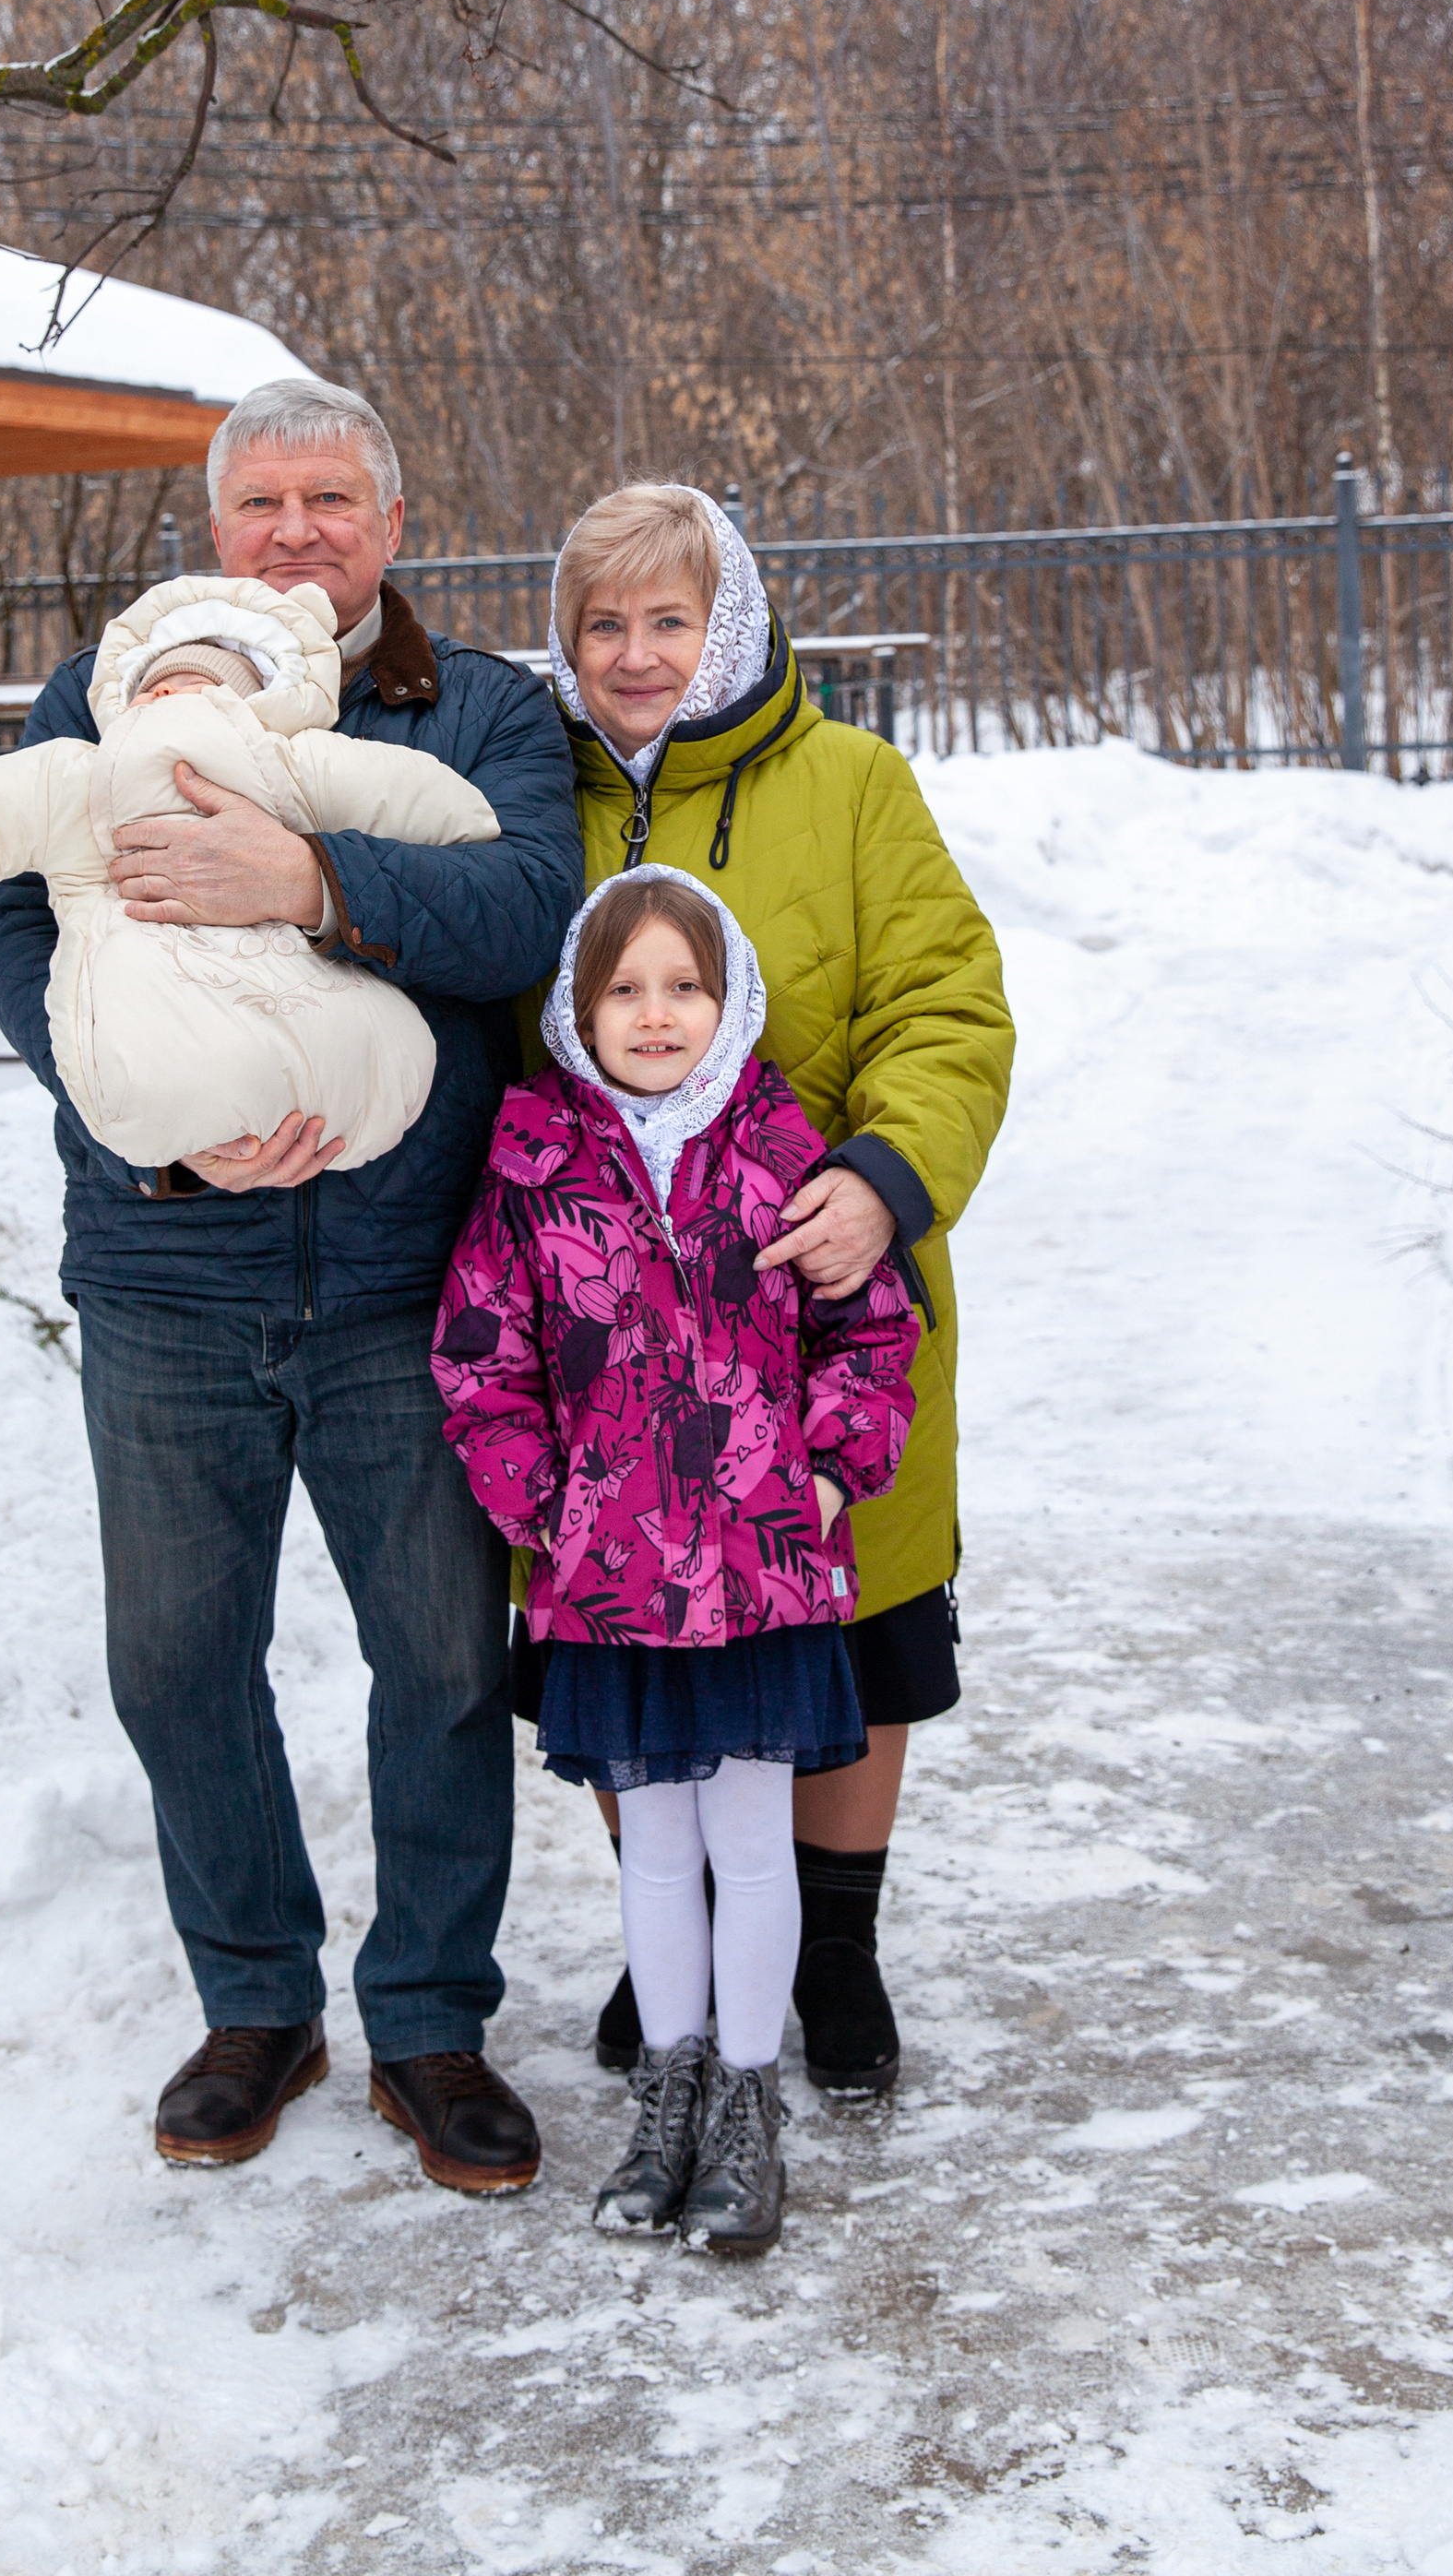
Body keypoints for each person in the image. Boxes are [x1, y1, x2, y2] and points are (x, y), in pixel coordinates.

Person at [0, 379, 586, 2190]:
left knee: (439, 1666)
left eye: (333, 498)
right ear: (217, 525)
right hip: (166, 1270)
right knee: (174, 1665)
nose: (297, 531)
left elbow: (530, 910)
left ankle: (427, 2022)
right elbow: (19, 932)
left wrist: (308, 875)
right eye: (263, 502)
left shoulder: (477, 711)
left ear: (390, 526)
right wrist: (150, 1124)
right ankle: (256, 1998)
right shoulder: (94, 700)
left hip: (413, 1284)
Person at [535, 481, 1014, 2092]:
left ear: (730, 621)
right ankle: (662, 1927)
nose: (635, 652)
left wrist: (884, 1185)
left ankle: (839, 1948)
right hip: (611, 1328)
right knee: (627, 1634)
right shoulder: (542, 795)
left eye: (670, 618)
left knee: (853, 1623)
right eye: (604, 623)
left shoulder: (853, 784)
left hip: (817, 1301)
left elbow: (949, 1011)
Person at [435, 869, 921, 2251]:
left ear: (731, 1000)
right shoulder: (533, 1155)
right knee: (654, 1849)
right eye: (626, 989)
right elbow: (482, 1348)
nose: (657, 1015)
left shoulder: (783, 1148)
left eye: (686, 987)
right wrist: (542, 1499)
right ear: (581, 1011)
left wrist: (826, 1471)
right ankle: (671, 2091)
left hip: (763, 1573)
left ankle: (748, 2103)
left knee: (751, 1845)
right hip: (610, 1580)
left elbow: (871, 1327)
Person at [0, 571, 500, 1173]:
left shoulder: (282, 759)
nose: (166, 696)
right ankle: (189, 1111)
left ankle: (344, 1087)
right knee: (151, 1041)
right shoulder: (83, 770)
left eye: (195, 684)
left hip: (282, 953)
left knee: (374, 1041)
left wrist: (455, 823)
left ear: (251, 702)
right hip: (142, 953)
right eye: (154, 687)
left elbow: (390, 787)